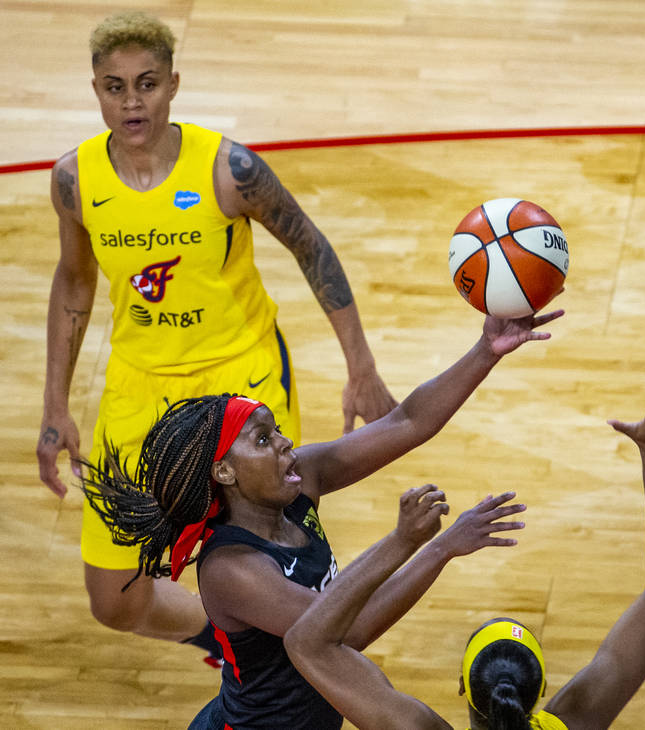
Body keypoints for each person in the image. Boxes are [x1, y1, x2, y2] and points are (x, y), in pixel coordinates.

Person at [36, 9, 399, 660]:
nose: (132, 101)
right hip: (140, 385)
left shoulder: (230, 170)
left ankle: (299, 668)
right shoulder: (75, 179)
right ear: (95, 91)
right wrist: (55, 405)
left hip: (243, 381)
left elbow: (313, 250)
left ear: (173, 84)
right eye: (115, 87)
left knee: (273, 567)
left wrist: (361, 367)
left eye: (146, 83)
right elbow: (75, 281)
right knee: (114, 600)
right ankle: (227, 639)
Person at [79, 309, 561, 728]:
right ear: (224, 471)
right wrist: (428, 546)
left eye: (277, 431)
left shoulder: (297, 480)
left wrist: (486, 349)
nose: (286, 443)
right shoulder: (231, 569)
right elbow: (345, 632)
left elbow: (406, 422)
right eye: (263, 440)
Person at [283, 384, 645, 730]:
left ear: (463, 688)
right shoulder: (577, 720)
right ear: (540, 693)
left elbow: (306, 643)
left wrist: (413, 542)